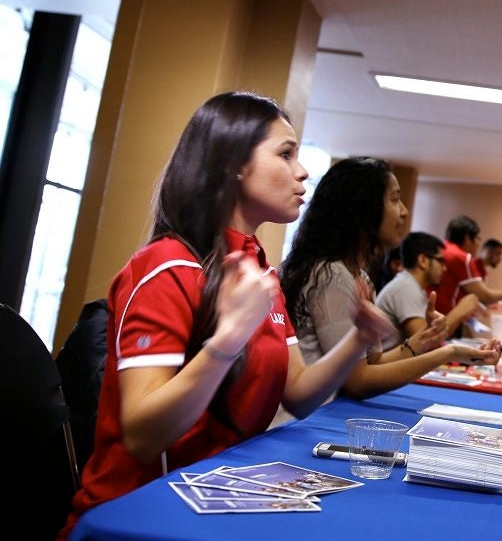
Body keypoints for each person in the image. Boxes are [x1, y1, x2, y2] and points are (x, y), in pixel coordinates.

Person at [60, 92, 395, 537]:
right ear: (233, 163)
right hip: (141, 514)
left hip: (222, 501)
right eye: (285, 154)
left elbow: (296, 393)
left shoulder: (255, 271)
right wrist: (226, 341)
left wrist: (357, 340)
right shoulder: (167, 268)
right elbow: (142, 438)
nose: (302, 171)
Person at [278, 157, 501, 407]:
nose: (404, 211)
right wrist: (446, 353)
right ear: (364, 210)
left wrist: (423, 341)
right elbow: (357, 382)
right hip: (309, 419)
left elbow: (373, 362)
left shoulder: (357, 274)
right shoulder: (331, 274)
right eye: (394, 199)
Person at [377, 231, 481, 341]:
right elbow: (424, 342)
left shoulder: (411, 285)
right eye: (441, 261)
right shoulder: (406, 288)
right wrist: (459, 312)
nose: (444, 268)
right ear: (423, 261)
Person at [433, 215, 502, 315]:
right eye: (477, 238)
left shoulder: (442, 248)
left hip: (432, 310)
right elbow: (484, 296)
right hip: (444, 317)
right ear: (467, 239)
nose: (478, 243)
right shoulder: (461, 257)